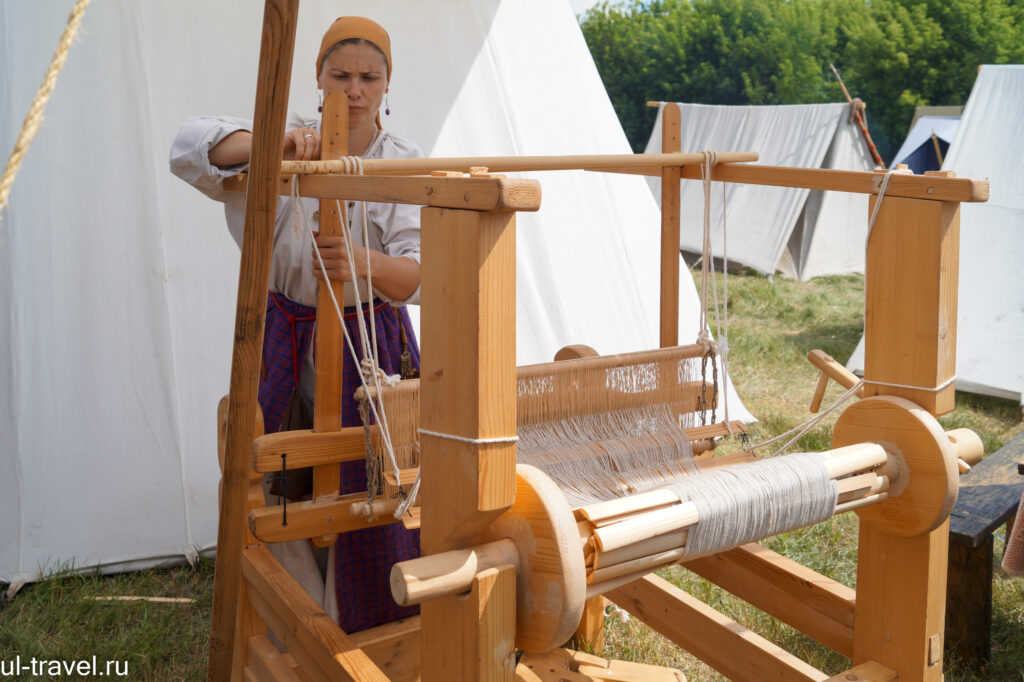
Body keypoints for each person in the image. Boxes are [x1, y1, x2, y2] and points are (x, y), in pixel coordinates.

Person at [170, 16, 420, 634]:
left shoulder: (404, 163)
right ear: (318, 77)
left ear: (388, 84)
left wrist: (361, 262)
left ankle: (359, 621)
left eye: (369, 77)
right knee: (278, 474)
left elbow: (416, 276)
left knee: (373, 485)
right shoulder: (289, 140)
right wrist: (272, 145)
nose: (354, 89)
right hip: (286, 334)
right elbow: (187, 148)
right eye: (341, 75)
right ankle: (294, 616)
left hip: (370, 345)